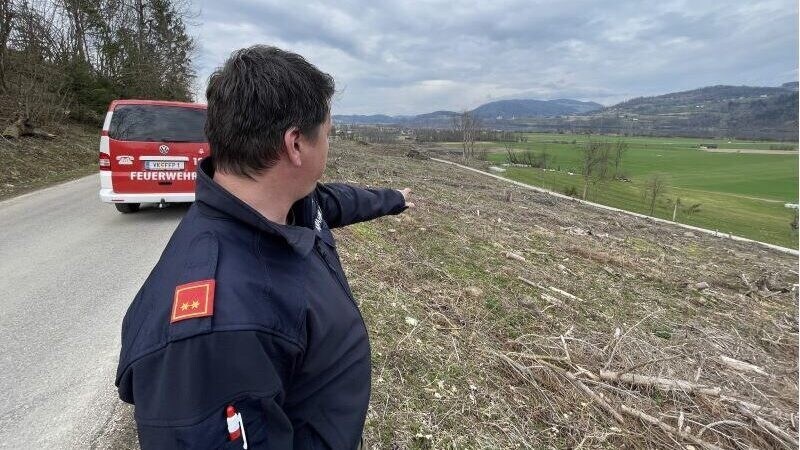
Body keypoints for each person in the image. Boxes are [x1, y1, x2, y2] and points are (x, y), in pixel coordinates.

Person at [115, 45, 413, 449]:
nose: (329, 145)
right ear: (295, 145)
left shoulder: (288, 204)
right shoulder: (216, 332)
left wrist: (393, 198)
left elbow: (335, 201)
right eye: (327, 134)